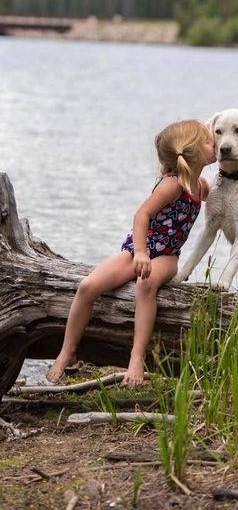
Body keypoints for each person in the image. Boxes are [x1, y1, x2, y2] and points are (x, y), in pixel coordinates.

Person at [46, 119, 216, 387]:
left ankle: (136, 358)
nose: (215, 143)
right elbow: (142, 216)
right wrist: (139, 253)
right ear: (191, 151)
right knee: (88, 286)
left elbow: (222, 198)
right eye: (208, 140)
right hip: (138, 249)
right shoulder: (172, 185)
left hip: (167, 256)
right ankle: (68, 350)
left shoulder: (201, 186)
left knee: (145, 284)